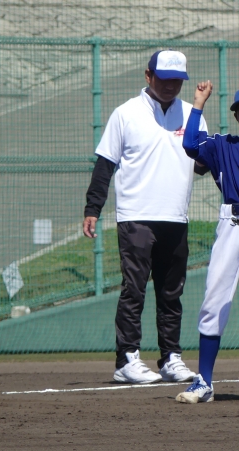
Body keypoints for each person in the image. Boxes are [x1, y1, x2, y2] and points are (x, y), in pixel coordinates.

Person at [83, 50, 207, 384]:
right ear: (148, 75)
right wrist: (93, 209)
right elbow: (105, 165)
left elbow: (202, 164)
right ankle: (127, 359)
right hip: (136, 216)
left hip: (176, 216)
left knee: (171, 293)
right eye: (164, 78)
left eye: (177, 80)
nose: (170, 86)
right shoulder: (126, 113)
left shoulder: (191, 113)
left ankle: (171, 358)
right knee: (133, 290)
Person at [176, 85, 239, 403]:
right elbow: (190, 144)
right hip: (233, 224)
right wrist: (198, 104)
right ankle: (203, 382)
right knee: (214, 300)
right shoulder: (223, 145)